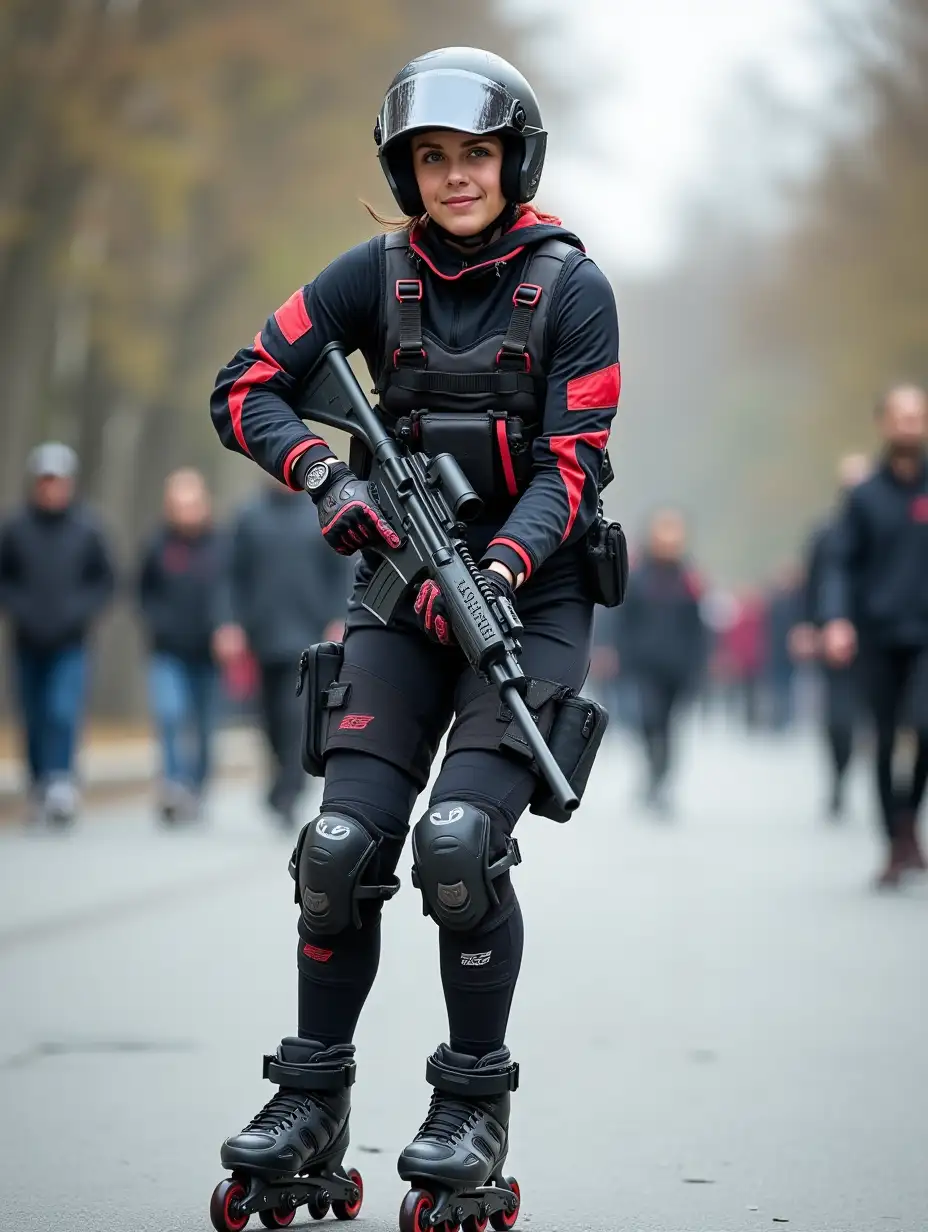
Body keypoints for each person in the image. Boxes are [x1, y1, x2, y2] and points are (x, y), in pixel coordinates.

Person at [207, 47, 620, 1230]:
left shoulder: (570, 289)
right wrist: (327, 479)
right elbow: (245, 386)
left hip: (525, 603)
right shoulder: (368, 276)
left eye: (473, 155)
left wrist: (489, 568)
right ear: (405, 168)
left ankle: (470, 1111)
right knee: (339, 848)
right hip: (396, 589)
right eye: (431, 158)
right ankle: (310, 1103)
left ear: (513, 162)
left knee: (457, 844)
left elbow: (571, 472)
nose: (452, 177)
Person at [821, 386, 928, 887]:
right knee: (885, 738)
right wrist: (837, 620)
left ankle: (907, 822)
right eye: (901, 416)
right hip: (879, 633)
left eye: (918, 416)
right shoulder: (864, 497)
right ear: (884, 423)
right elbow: (839, 564)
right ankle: (895, 841)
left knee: (924, 727)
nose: (910, 424)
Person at [213, 475, 350, 829]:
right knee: (269, 720)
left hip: (308, 636)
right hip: (262, 637)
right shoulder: (249, 516)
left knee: (296, 717)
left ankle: (288, 792)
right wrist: (229, 623)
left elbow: (342, 571)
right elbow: (230, 575)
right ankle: (280, 782)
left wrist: (339, 617)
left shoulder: (321, 513)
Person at [0, 443, 115, 825]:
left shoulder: (87, 529)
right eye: (46, 481)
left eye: (58, 481)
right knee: (33, 714)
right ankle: (37, 782)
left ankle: (61, 782)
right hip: (27, 639)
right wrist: (20, 609)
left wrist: (79, 611)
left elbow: (104, 580)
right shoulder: (16, 528)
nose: (52, 488)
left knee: (62, 710)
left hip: (70, 640)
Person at [137, 468, 224, 823]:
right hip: (168, 649)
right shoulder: (157, 545)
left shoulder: (222, 545)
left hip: (209, 652)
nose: (187, 511)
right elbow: (143, 591)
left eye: (192, 503)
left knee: (204, 726)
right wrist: (159, 622)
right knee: (171, 714)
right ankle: (173, 784)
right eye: (179, 504)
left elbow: (231, 591)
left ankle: (197, 786)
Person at [789, 453, 871, 818]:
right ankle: (839, 776)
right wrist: (807, 625)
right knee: (839, 718)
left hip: (885, 634)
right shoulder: (826, 533)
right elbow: (811, 585)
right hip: (834, 635)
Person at [616, 510, 704, 813]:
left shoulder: (689, 578)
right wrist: (620, 653)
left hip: (678, 667)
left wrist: (699, 665)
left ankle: (661, 778)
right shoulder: (638, 575)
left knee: (668, 725)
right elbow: (623, 618)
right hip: (645, 665)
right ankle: (654, 771)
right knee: (648, 720)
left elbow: (698, 626)